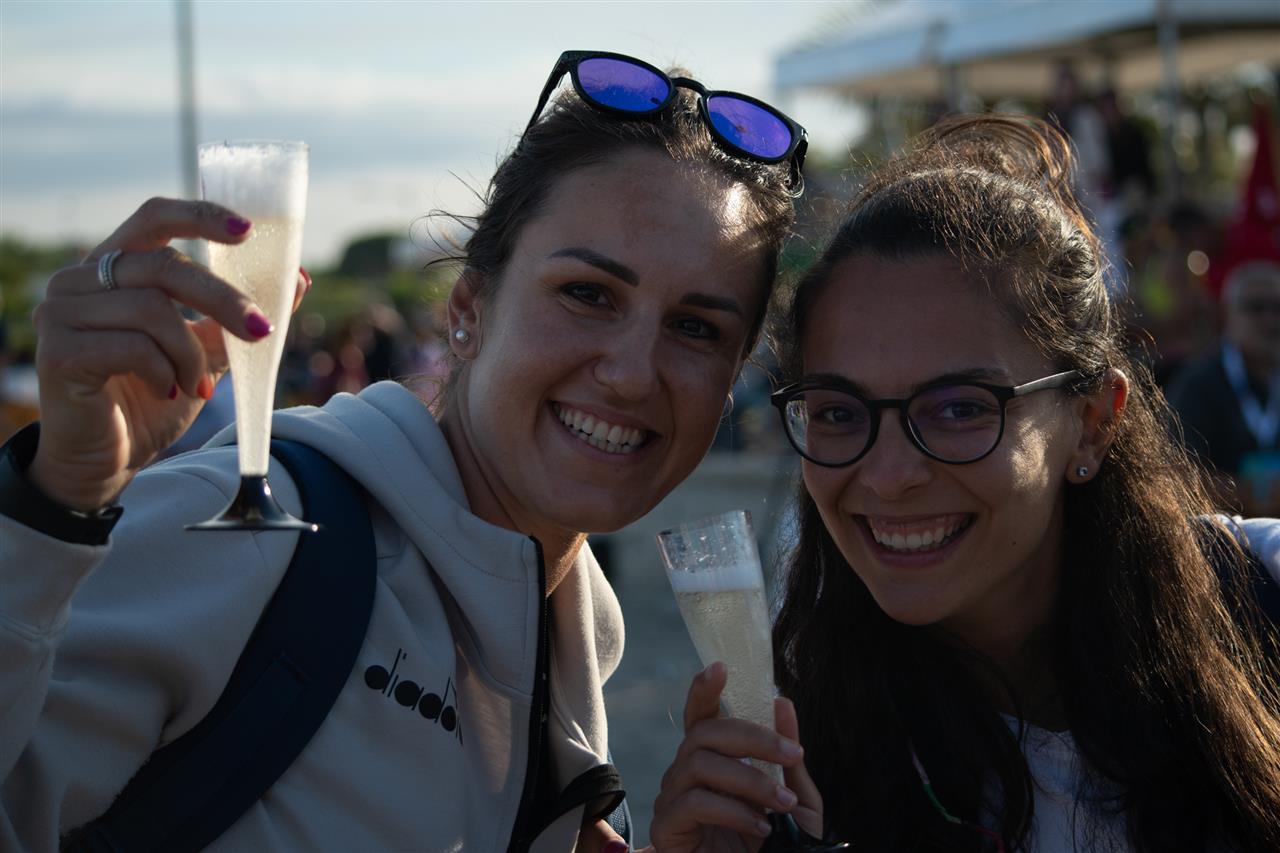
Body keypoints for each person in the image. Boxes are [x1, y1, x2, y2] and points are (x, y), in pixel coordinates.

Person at [0, 50, 804, 852]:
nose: (632, 374)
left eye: (696, 328)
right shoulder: (263, 532)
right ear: (468, 309)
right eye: (587, 294)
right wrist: (50, 504)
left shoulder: (573, 636)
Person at [651, 116, 1280, 852]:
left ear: (1092, 421)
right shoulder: (799, 754)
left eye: (958, 408)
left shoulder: (1260, 599)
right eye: (838, 412)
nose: (889, 476)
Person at [1167, 261, 1280, 517]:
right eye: (1256, 307)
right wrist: (1251, 493)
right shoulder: (1197, 384)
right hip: (1222, 531)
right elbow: (1179, 476)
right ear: (1227, 314)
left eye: (1277, 308)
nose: (1270, 320)